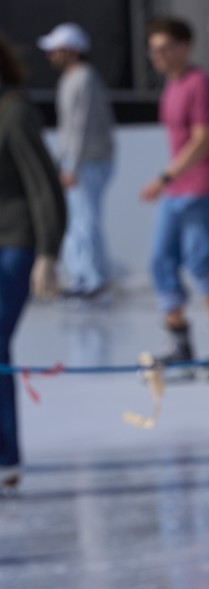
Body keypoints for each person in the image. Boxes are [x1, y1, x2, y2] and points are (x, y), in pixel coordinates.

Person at [140, 16, 209, 379]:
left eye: (165, 48)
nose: (158, 56)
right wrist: (169, 181)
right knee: (161, 260)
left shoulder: (200, 83)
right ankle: (178, 341)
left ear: (185, 47)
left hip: (205, 187)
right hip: (177, 189)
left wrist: (164, 176)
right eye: (153, 50)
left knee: (199, 261)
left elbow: (203, 139)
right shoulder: (172, 87)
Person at [0, 33, 66, 493]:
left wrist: (48, 252)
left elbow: (45, 187)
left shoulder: (15, 113)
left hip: (16, 244)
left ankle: (5, 458)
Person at [38, 22, 115, 300]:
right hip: (76, 161)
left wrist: (73, 165)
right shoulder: (70, 79)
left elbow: (82, 125)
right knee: (76, 221)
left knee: (85, 220)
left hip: (88, 161)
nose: (51, 56)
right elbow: (68, 127)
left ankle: (93, 279)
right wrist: (63, 161)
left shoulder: (84, 78)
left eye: (56, 50)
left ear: (72, 50)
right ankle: (82, 277)